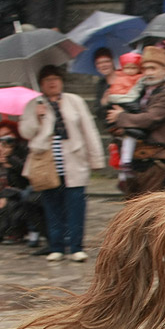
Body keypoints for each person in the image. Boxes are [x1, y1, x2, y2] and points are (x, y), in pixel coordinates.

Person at [19, 65, 104, 262]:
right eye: (47, 80)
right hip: (47, 164)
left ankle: (76, 246)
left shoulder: (75, 101)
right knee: (51, 205)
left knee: (76, 205)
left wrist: (96, 158)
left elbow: (88, 130)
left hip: (74, 161)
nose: (52, 82)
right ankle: (56, 245)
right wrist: (37, 118)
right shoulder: (34, 104)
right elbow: (25, 132)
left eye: (55, 78)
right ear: (41, 84)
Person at [106, 45, 165, 197]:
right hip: (136, 161)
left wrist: (120, 117)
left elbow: (150, 118)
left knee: (150, 210)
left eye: (153, 68)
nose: (148, 73)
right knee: (133, 209)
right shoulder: (139, 92)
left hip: (157, 161)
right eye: (145, 69)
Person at [0, 119, 41, 247]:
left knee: (6, 197)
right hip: (10, 188)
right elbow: (1, 181)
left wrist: (10, 158)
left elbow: (24, 174)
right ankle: (4, 230)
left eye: (8, 134)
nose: (5, 139)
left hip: (26, 186)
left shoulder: (23, 147)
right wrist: (0, 163)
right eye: (1, 137)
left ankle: (10, 232)